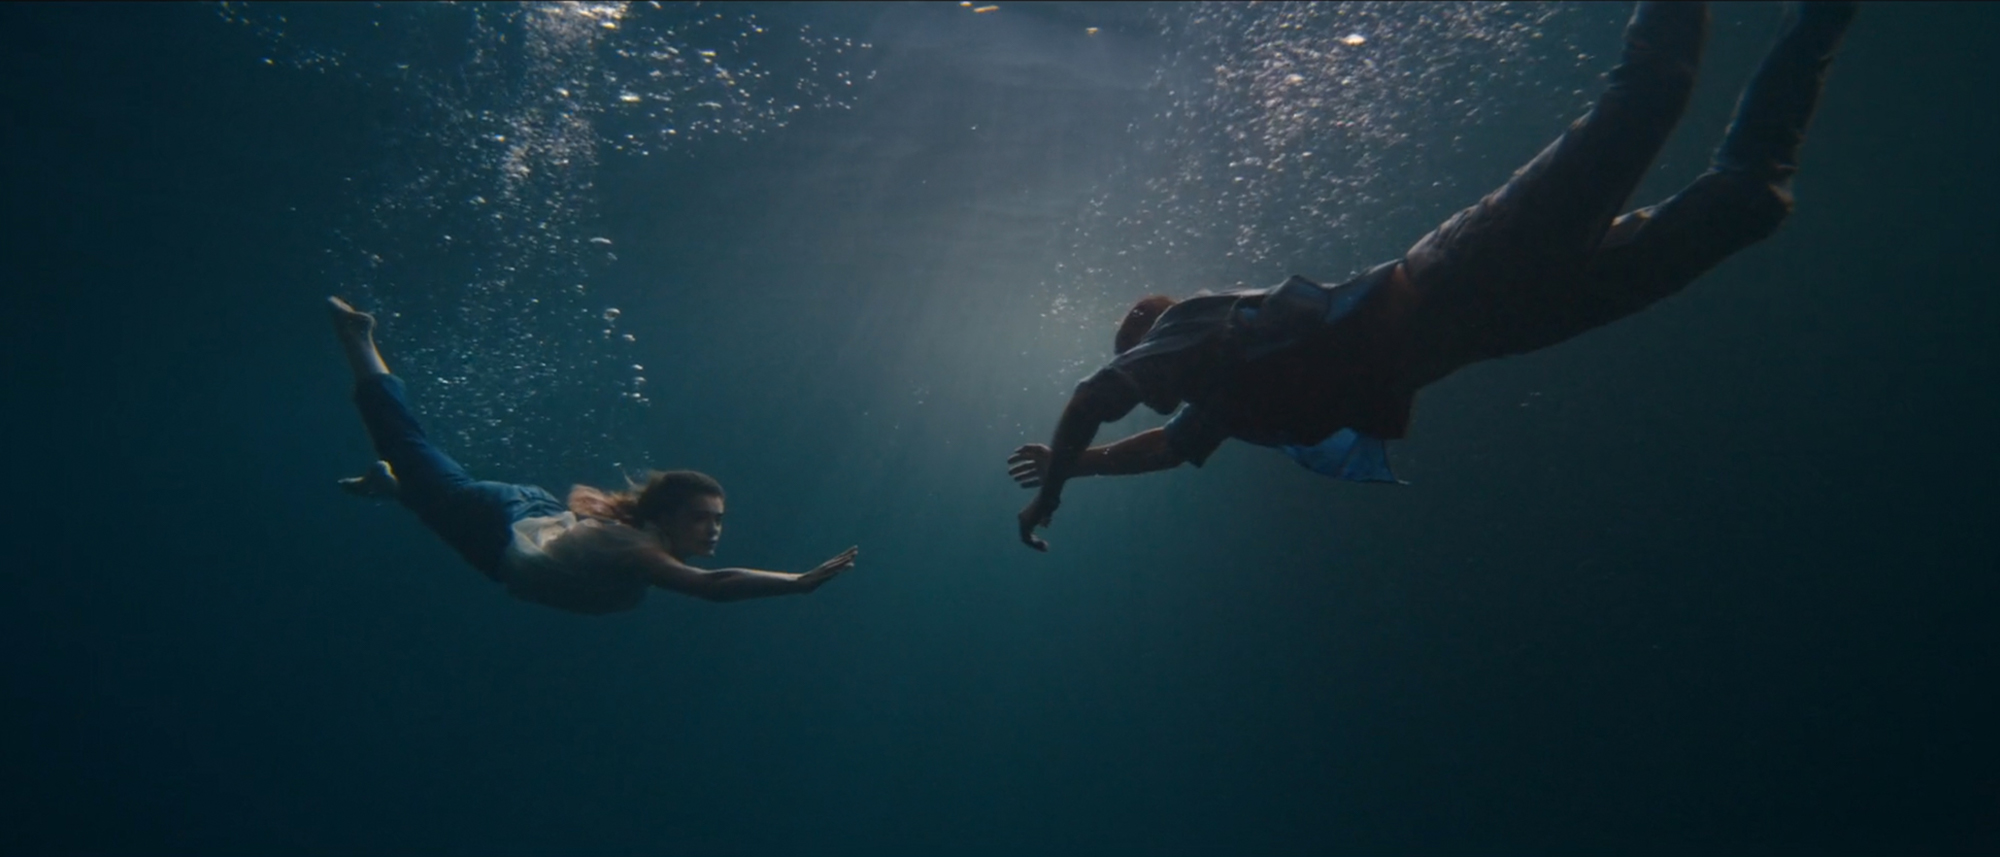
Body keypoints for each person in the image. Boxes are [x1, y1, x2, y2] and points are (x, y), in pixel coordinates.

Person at [1009, 1, 1856, 551]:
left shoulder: (1188, 327)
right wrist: (1073, 472)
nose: (1137, 360)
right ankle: (1824, 19)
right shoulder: (1221, 399)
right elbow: (1159, 446)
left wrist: (1051, 488)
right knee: (1749, 202)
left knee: (1647, 98)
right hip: (1503, 328)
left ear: (1154, 332)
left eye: (1136, 343)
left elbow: (1097, 398)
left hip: (1462, 273)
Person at [327, 296, 858, 613]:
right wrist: (797, 582)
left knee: (434, 506)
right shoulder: (637, 552)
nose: (714, 530)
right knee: (407, 446)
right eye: (700, 519)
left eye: (718, 519)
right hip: (502, 519)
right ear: (665, 518)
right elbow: (713, 588)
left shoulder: (641, 546)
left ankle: (394, 487)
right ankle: (359, 340)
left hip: (522, 534)